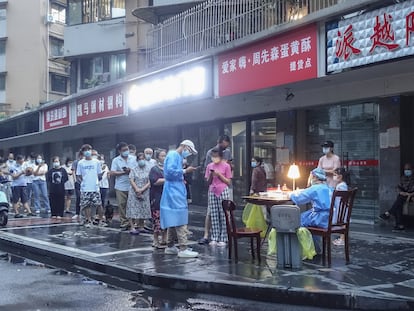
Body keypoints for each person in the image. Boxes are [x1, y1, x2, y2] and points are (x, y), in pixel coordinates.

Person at [161, 140, 199, 258]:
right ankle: (183, 247)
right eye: (189, 151)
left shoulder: (176, 156)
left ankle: (170, 245)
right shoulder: (173, 155)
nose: (189, 153)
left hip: (174, 189)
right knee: (180, 218)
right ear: (184, 146)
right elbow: (169, 173)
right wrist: (185, 171)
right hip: (174, 191)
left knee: (173, 218)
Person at [199, 135, 233, 245]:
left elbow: (228, 181)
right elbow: (207, 181)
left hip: (223, 190)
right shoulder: (209, 166)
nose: (214, 158)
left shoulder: (226, 166)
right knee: (213, 214)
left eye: (216, 156)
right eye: (213, 156)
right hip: (212, 190)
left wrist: (219, 175)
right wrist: (211, 176)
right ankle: (214, 237)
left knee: (223, 214)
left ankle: (224, 237)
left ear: (221, 156)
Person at [76, 144, 106, 227]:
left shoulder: (96, 162)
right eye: (85, 150)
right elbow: (78, 175)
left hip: (95, 187)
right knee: (86, 205)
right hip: (85, 188)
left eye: (88, 149)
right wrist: (83, 182)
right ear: (83, 152)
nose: (87, 151)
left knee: (98, 204)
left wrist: (96, 181)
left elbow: (99, 174)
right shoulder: (81, 163)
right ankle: (89, 220)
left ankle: (101, 220)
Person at [379, 163, 414, 231]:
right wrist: (401, 192)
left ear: (413, 169)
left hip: (411, 196)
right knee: (399, 203)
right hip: (404, 196)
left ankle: (388, 214)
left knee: (399, 199)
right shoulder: (403, 177)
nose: (407, 171)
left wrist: (409, 194)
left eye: (408, 169)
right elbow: (398, 187)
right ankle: (399, 225)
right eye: (405, 169)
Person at [110, 142, 137, 230]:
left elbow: (138, 169)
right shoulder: (116, 160)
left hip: (132, 184)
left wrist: (130, 171)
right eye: (124, 150)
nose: (126, 151)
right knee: (122, 204)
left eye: (127, 149)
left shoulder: (133, 158)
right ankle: (124, 222)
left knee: (132, 204)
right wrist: (123, 172)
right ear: (119, 151)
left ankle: (133, 222)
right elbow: (112, 172)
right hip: (120, 186)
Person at [126, 153, 151, 235]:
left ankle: (141, 225)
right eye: (140, 159)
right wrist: (137, 189)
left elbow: (150, 181)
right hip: (134, 190)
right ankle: (132, 226)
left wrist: (142, 189)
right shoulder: (133, 169)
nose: (141, 161)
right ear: (137, 160)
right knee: (132, 208)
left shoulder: (149, 169)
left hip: (145, 190)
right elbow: (131, 180)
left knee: (143, 208)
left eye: (143, 159)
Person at [149, 149, 167, 248]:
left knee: (166, 218)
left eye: (165, 155)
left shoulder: (168, 168)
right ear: (157, 157)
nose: (164, 158)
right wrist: (167, 179)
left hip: (167, 195)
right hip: (157, 196)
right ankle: (156, 239)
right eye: (162, 156)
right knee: (157, 218)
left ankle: (164, 238)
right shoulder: (154, 169)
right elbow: (155, 181)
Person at [332, 167, 350, 246]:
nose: (334, 177)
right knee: (343, 223)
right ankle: (342, 238)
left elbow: (340, 198)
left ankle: (343, 239)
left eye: (335, 175)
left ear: (340, 176)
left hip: (341, 207)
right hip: (342, 207)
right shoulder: (341, 185)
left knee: (343, 223)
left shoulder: (341, 186)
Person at [71, 150, 83, 220]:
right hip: (78, 182)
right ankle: (77, 213)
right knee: (78, 197)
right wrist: (75, 180)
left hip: (86, 183)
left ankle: (83, 213)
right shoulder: (76, 162)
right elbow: (73, 171)